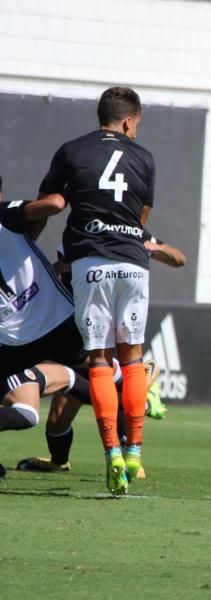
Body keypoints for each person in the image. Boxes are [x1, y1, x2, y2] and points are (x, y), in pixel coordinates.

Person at [36, 86, 157, 495]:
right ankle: (135, 450)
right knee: (134, 355)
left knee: (99, 358)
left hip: (91, 262)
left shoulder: (71, 150)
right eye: (137, 122)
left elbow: (50, 200)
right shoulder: (144, 158)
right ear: (128, 120)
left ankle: (112, 455)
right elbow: (142, 217)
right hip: (133, 263)